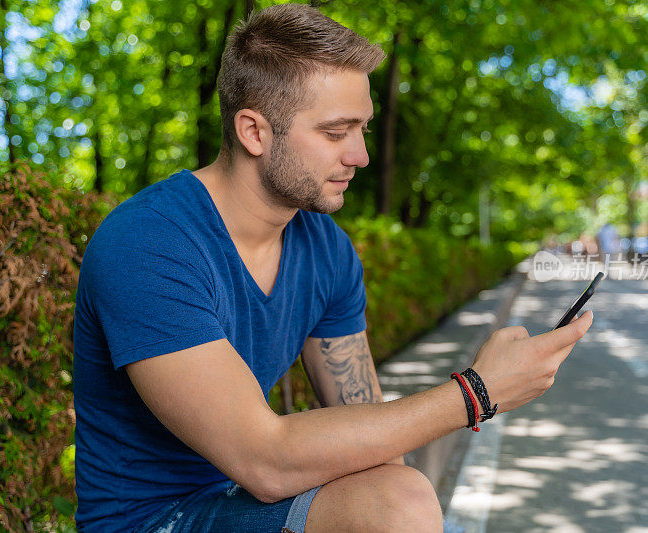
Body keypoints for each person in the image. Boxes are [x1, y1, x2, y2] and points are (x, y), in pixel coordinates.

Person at [72, 4, 594, 532]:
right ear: (254, 131)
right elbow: (267, 462)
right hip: (150, 520)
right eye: (335, 132)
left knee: (398, 493)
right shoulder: (148, 243)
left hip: (245, 500)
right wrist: (476, 394)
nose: (360, 155)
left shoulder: (325, 248)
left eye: (362, 129)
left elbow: (375, 450)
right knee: (401, 504)